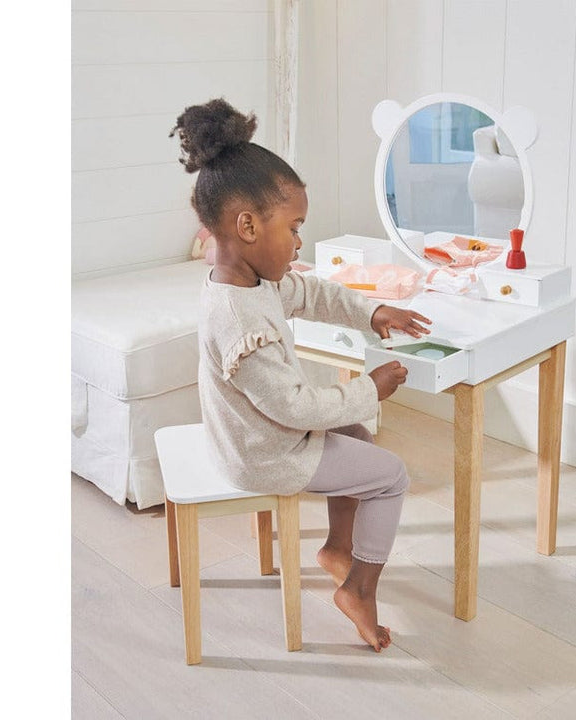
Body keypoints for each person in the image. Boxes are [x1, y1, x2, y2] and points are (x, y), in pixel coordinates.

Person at [170, 98, 432, 652]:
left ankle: (337, 549)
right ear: (247, 226)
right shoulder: (240, 319)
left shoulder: (249, 284)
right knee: (391, 475)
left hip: (253, 436)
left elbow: (310, 292)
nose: (298, 243)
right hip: (263, 452)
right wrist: (370, 389)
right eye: (293, 228)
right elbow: (294, 408)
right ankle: (359, 589)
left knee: (355, 436)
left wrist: (371, 313)